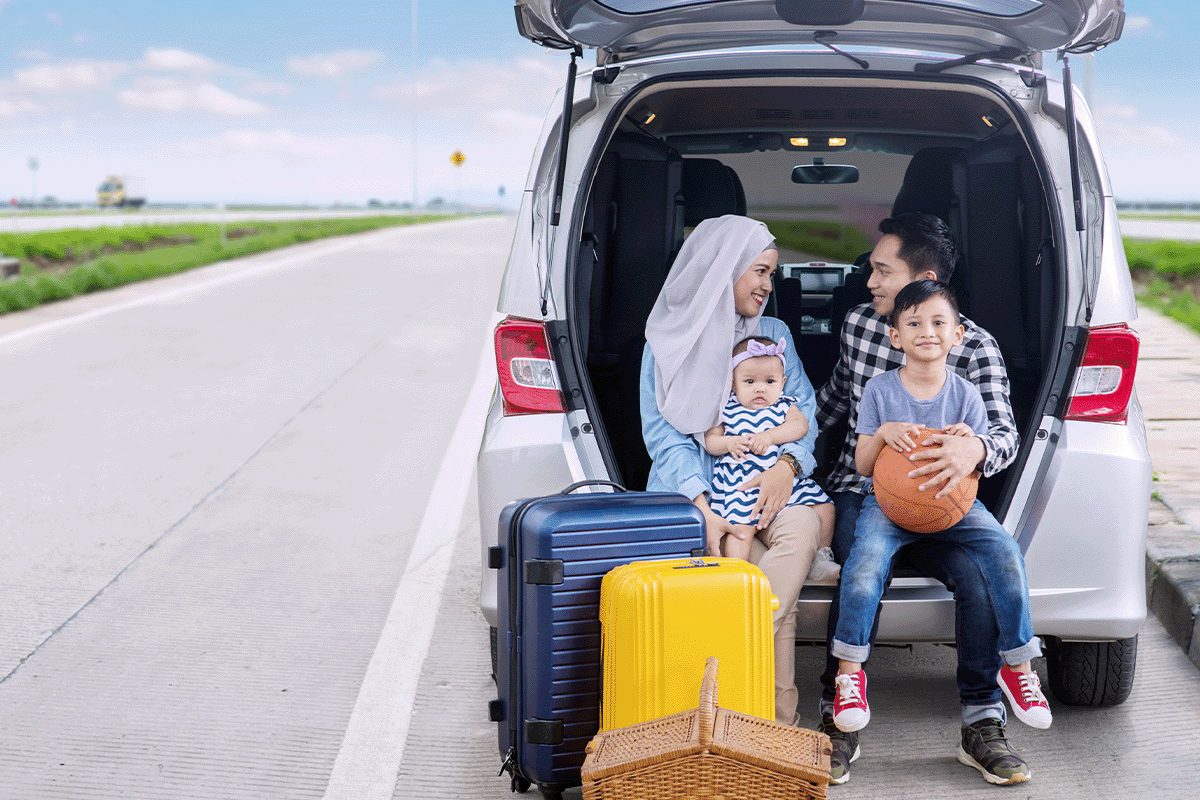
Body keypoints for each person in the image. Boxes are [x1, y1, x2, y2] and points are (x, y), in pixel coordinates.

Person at [814, 212, 1031, 786]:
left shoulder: (976, 348)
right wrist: (778, 451)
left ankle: (982, 722)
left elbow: (1005, 433)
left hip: (945, 496)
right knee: (860, 567)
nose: (869, 282)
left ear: (924, 278)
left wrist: (975, 451)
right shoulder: (863, 324)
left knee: (980, 573)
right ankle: (839, 721)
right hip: (863, 488)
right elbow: (835, 398)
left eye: (882, 270)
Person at [829, 279, 1051, 742]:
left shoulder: (968, 394)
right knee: (862, 564)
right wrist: (884, 432)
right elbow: (863, 464)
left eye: (937, 322)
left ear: (957, 335)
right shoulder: (879, 390)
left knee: (1006, 554)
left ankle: (1018, 666)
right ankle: (849, 674)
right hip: (888, 506)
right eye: (913, 323)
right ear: (895, 336)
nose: (926, 331)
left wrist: (965, 439)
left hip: (953, 507)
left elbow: (977, 458)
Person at [641, 214, 832, 726]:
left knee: (803, 528)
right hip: (696, 494)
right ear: (723, 271)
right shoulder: (667, 338)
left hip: (772, 489)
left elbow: (804, 413)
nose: (769, 285)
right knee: (780, 603)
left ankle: (734, 680)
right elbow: (664, 436)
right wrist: (703, 507)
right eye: (760, 272)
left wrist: (787, 467)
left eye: (772, 273)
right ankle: (774, 726)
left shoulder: (774, 334)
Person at [704, 335, 834, 562]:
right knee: (741, 531)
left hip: (781, 479)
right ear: (733, 383)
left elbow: (800, 426)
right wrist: (728, 443)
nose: (760, 389)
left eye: (770, 382)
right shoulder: (726, 409)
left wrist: (770, 436)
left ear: (782, 383)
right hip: (741, 483)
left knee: (825, 508)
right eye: (750, 382)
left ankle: (822, 560)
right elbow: (711, 441)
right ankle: (738, 572)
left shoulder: (784, 405)